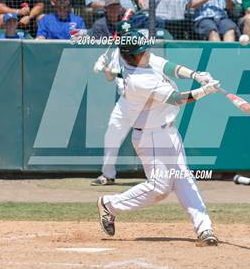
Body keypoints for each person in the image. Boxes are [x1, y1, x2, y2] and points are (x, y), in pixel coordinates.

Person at [96, 29, 220, 247]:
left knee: (184, 179)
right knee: (159, 189)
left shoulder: (143, 59)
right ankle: (109, 204)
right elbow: (177, 99)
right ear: (130, 56)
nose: (146, 53)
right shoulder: (137, 79)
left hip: (168, 131)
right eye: (141, 52)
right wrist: (204, 91)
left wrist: (195, 75)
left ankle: (204, 228)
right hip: (150, 137)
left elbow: (167, 66)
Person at [91, 20, 214, 186]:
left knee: (155, 134)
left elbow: (170, 67)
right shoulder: (116, 54)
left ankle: (162, 180)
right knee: (112, 135)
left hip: (147, 102)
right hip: (126, 102)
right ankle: (108, 174)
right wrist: (108, 71)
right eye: (124, 36)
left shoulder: (143, 54)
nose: (129, 38)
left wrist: (195, 75)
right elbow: (110, 77)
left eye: (130, 34)